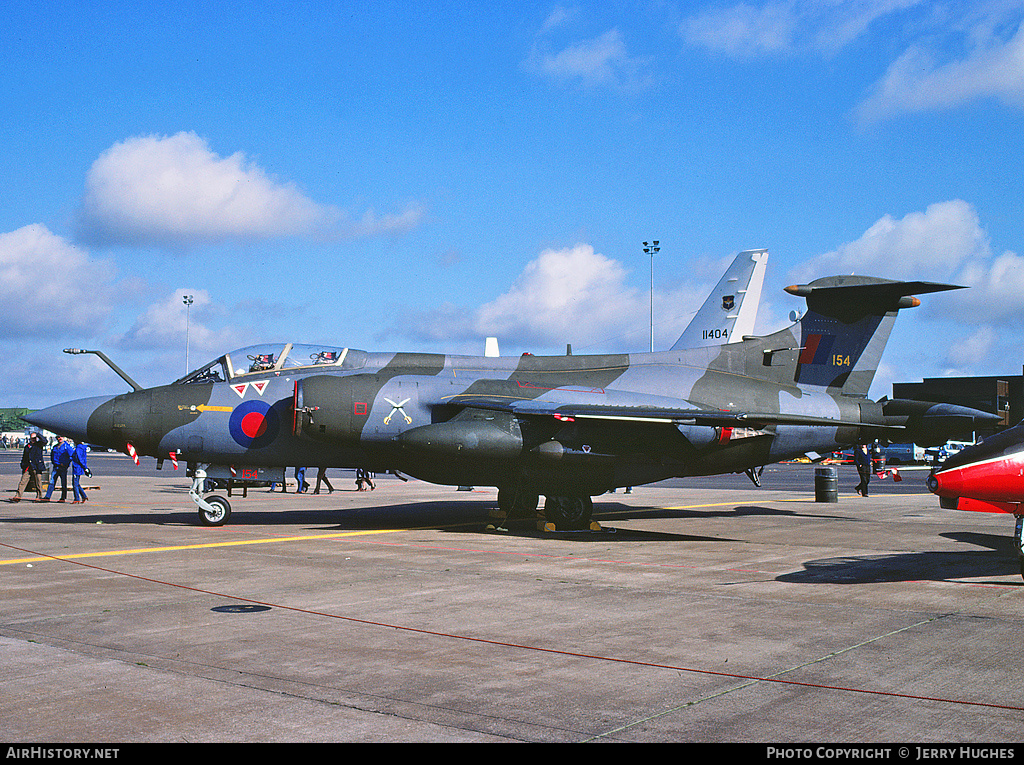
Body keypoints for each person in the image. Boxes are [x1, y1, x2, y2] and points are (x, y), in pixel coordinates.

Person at [11, 432, 46, 502]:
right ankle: (18, 496)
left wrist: (38, 434)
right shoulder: (27, 446)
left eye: (34, 438)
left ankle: (39, 496)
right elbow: (24, 457)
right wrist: (23, 465)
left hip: (36, 466)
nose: (33, 439)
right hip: (28, 467)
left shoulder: (39, 445)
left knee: (38, 482)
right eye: (31, 438)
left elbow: (45, 441)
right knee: (22, 482)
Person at [42, 435, 72, 502]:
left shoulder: (67, 447)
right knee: (52, 482)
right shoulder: (55, 447)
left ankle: (63, 497)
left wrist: (65, 464)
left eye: (61, 437)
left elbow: (71, 457)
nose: (60, 438)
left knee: (63, 483)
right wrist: (54, 462)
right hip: (56, 467)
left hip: (63, 467)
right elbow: (52, 456)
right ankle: (47, 496)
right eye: (58, 437)